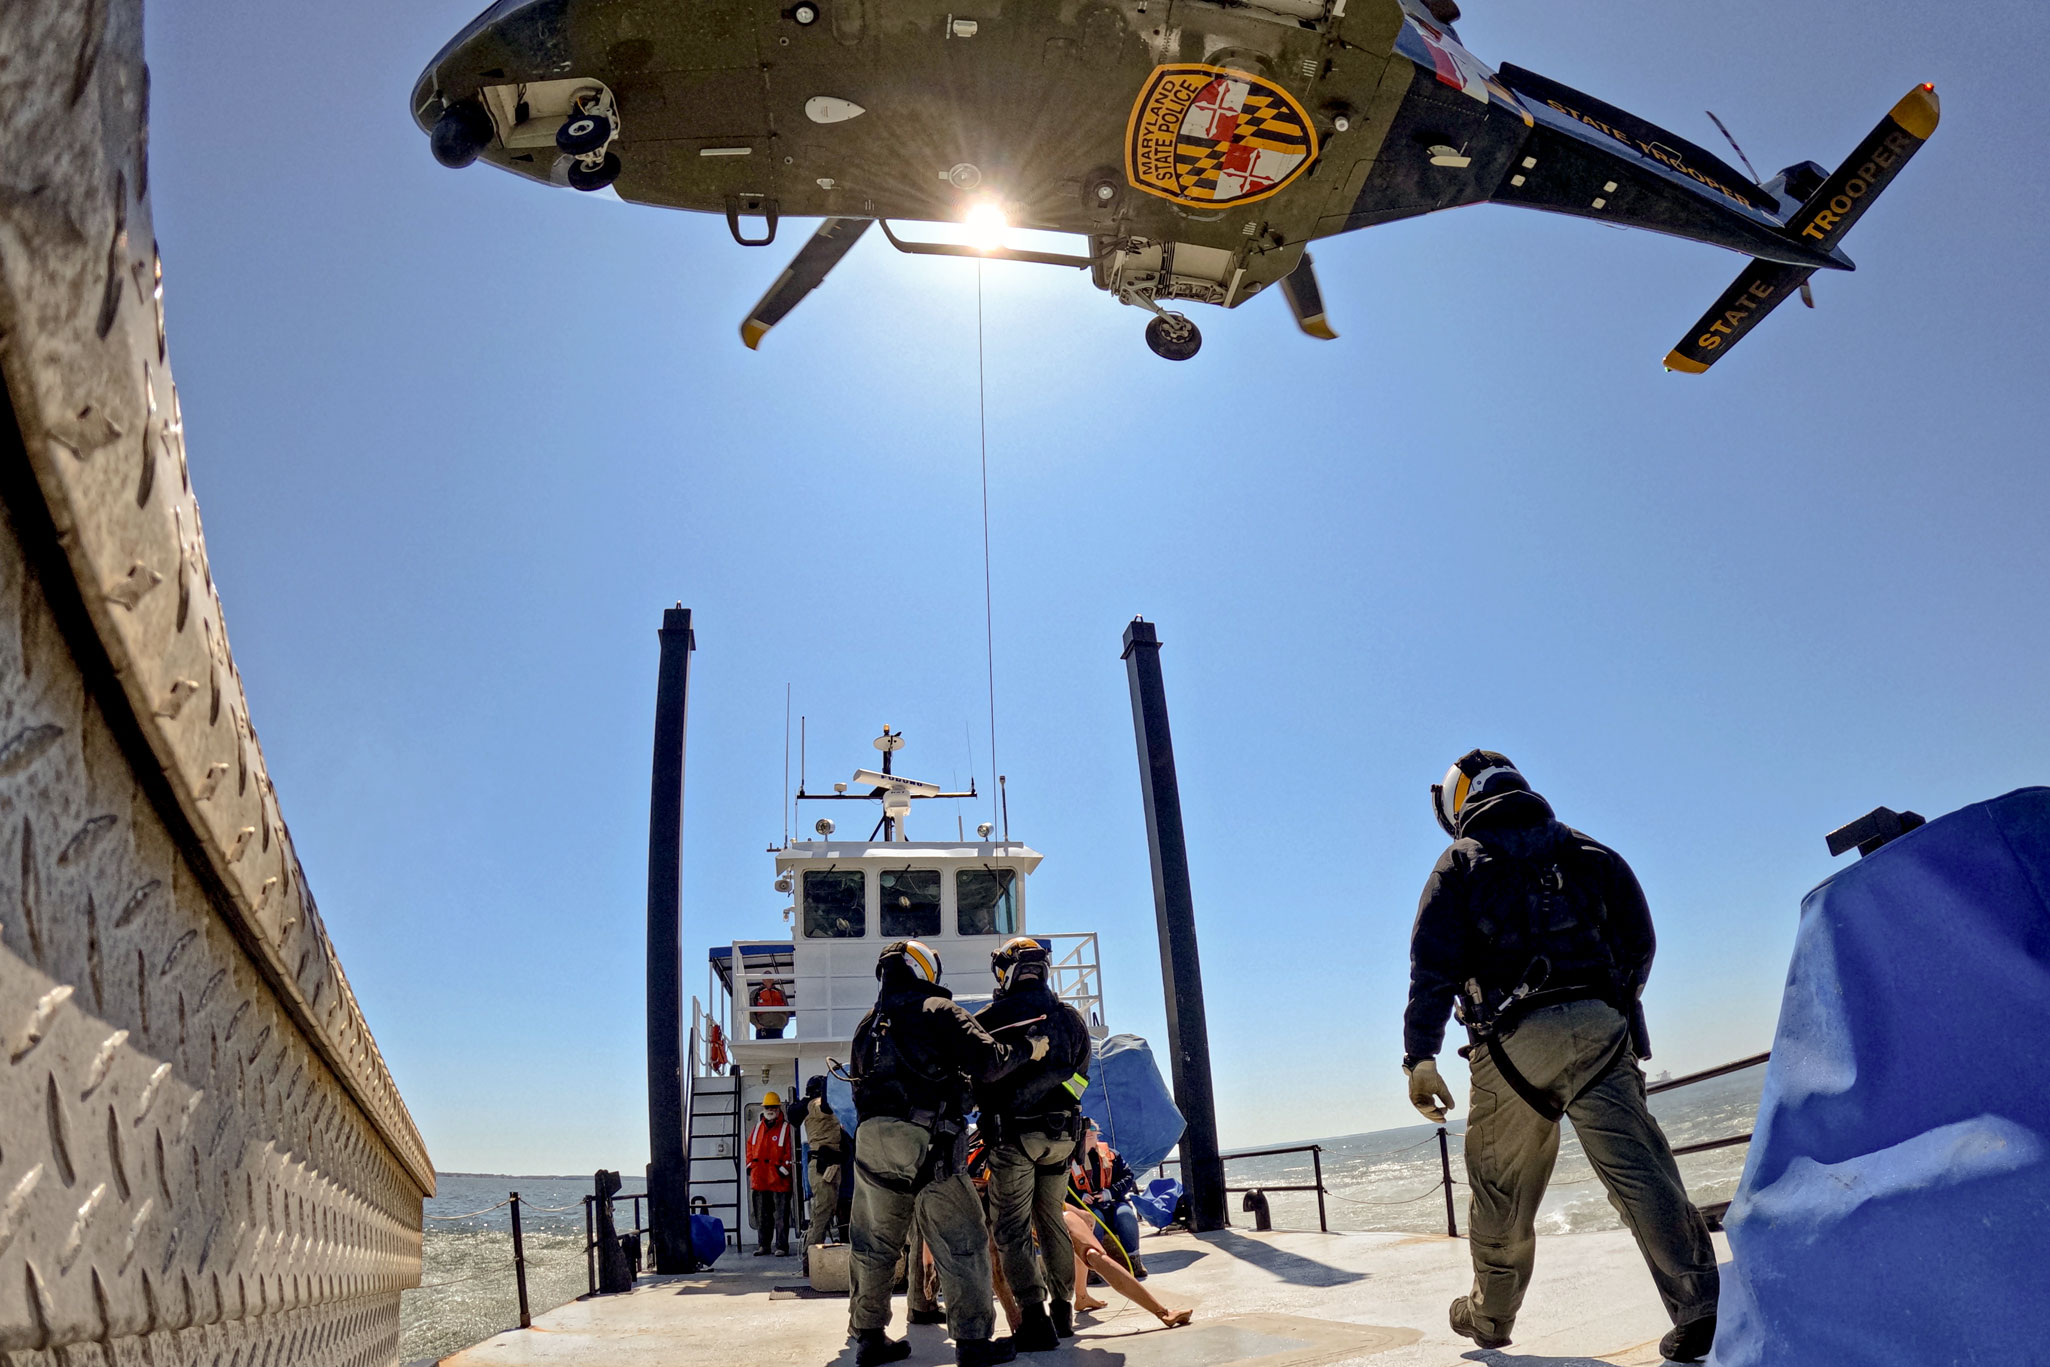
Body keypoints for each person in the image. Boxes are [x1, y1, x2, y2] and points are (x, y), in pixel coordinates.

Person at [1402, 750, 1720, 1363]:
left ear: (1458, 804)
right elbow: (1640, 943)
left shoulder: (1459, 862)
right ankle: (1700, 1305)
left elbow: (1432, 966)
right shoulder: (1591, 852)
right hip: (1604, 1033)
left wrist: (1420, 1056)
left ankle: (1491, 1316)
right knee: (1642, 1174)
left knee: (1499, 1189)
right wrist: (1614, 1016)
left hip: (1511, 1044)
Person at [847, 940, 1049, 1367]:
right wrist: (1030, 1050)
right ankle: (974, 1342)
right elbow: (989, 1060)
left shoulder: (868, 1025)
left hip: (870, 1140)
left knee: (873, 1244)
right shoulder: (939, 1011)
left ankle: (868, 1337)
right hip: (927, 1142)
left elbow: (859, 1086)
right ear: (925, 970)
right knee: (963, 1240)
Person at [974, 937, 1094, 1351]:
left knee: (1011, 1230)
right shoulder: (1071, 1019)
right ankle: (1064, 1312)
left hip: (1013, 1140)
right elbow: (1080, 1079)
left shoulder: (988, 1020)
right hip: (1062, 1140)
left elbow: (978, 1078)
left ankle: (1035, 1319)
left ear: (1004, 972)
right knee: (1053, 1221)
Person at [1062, 1204, 1191, 1329]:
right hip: (1049, 1212)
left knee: (1086, 1219)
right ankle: (1163, 1313)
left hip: (1050, 1207)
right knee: (1093, 1254)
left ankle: (1082, 1296)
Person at [1070, 1124, 1144, 1278]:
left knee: (1126, 1215)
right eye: (1085, 1131)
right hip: (1085, 1206)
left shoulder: (1112, 1155)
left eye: (1092, 1130)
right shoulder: (1067, 1160)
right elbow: (1062, 1186)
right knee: (1093, 1220)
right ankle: (1091, 1267)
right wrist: (1080, 1196)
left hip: (1112, 1202)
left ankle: (1134, 1260)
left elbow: (1128, 1176)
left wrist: (1109, 1193)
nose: (1089, 1133)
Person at [798, 1074, 847, 1255]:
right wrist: (831, 1086)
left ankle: (813, 1254)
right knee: (821, 1212)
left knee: (828, 1209)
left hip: (830, 1162)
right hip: (822, 1164)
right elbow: (824, 1107)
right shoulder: (815, 1104)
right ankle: (809, 1256)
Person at [747, 1092, 796, 1257]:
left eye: (773, 1107)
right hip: (760, 1179)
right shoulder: (758, 1127)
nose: (770, 1110)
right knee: (762, 1215)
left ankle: (782, 1246)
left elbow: (790, 1151)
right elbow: (750, 1147)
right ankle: (763, 1245)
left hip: (779, 1180)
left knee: (781, 1216)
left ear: (779, 1108)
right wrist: (750, 1166)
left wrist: (784, 1169)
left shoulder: (786, 1128)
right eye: (767, 1107)